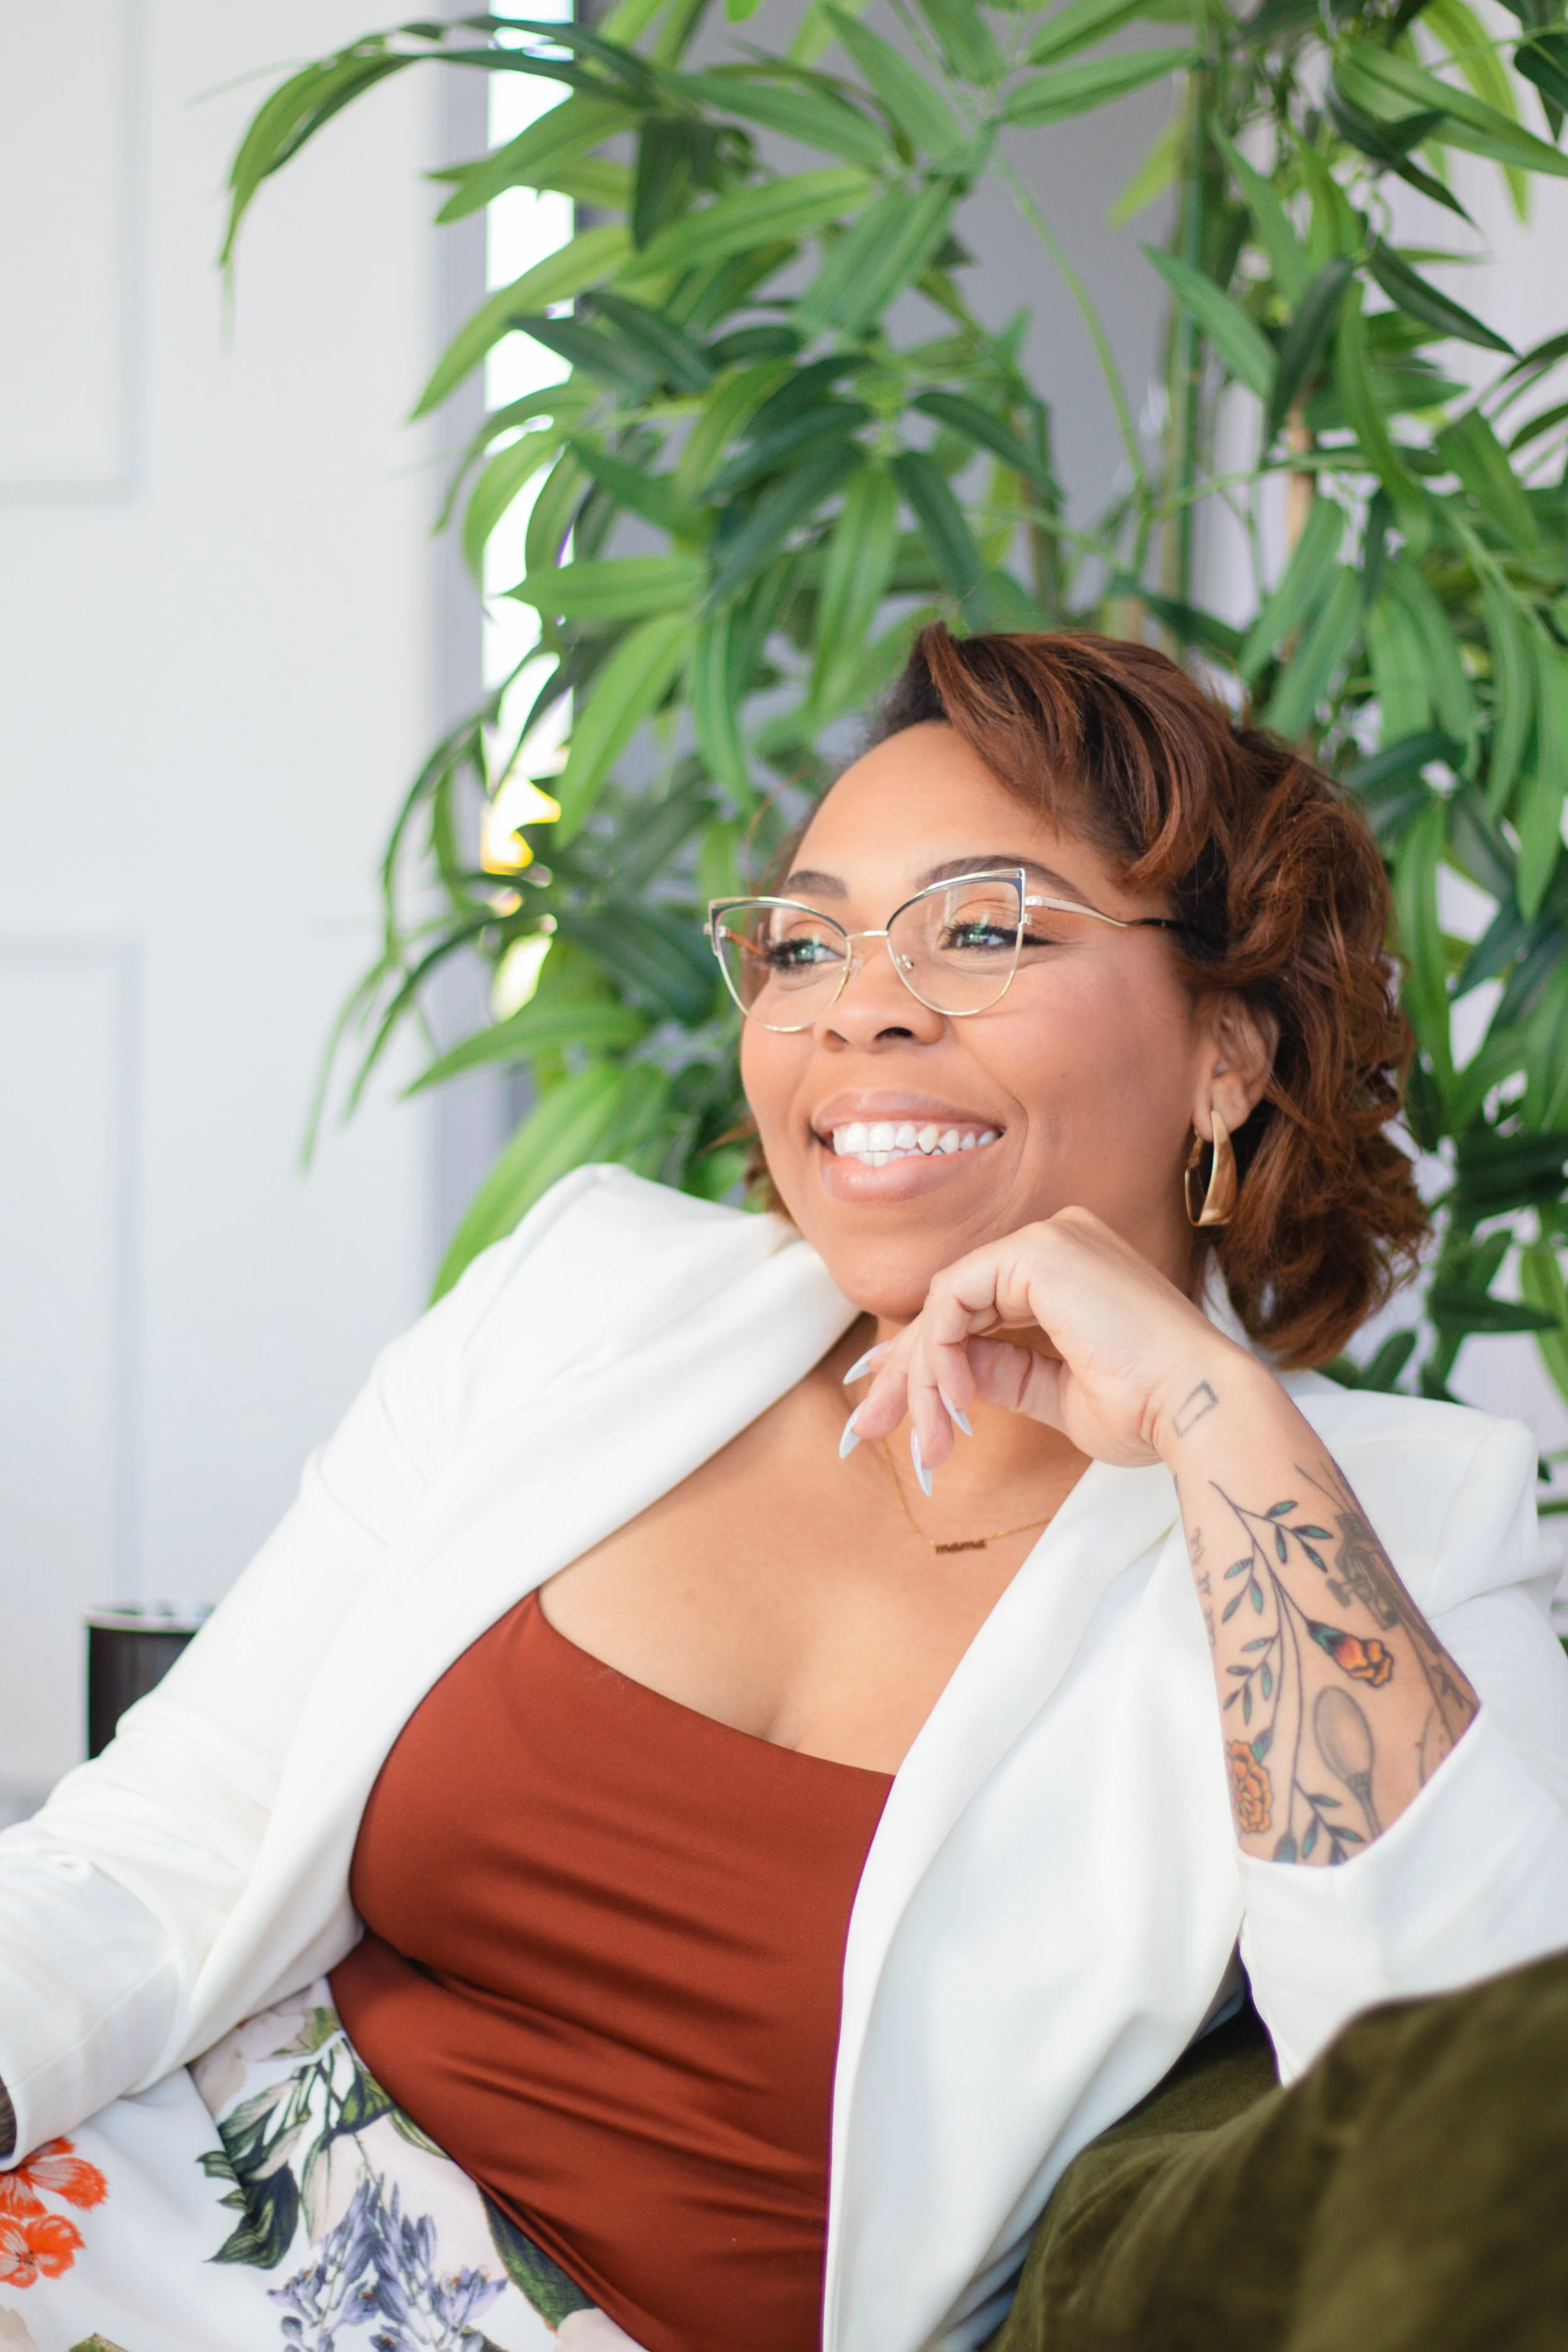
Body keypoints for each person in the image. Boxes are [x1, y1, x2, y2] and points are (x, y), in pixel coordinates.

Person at [2, 627, 1567, 2352]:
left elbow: (1461, 2110)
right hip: (127, 2211)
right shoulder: (588, 1292)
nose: (860, 1003)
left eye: (981, 929)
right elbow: (161, 1850)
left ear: (1228, 1052)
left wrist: (1215, 1411)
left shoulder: (1390, 1522)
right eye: (804, 941)